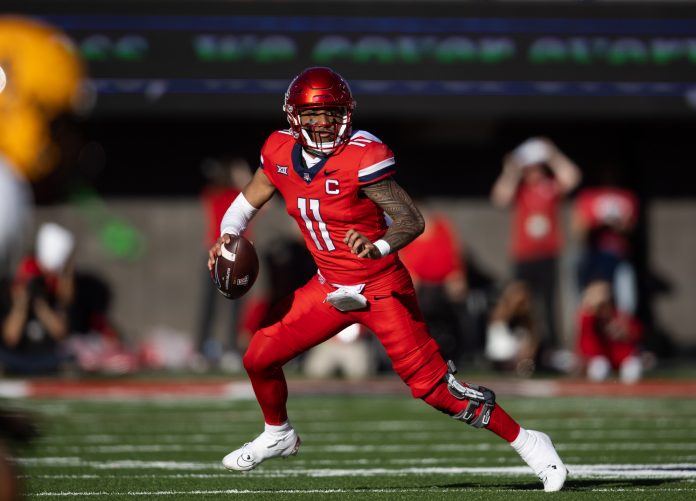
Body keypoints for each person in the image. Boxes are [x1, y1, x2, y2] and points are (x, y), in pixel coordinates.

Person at [208, 67, 567, 491]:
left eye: (331, 113)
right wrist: (229, 235)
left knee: (435, 389)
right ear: (294, 116)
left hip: (379, 286)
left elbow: (411, 219)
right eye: (314, 114)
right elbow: (250, 196)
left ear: (346, 114)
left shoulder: (362, 155)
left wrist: (376, 247)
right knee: (259, 357)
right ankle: (278, 434)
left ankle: (529, 443)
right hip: (327, 285)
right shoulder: (279, 151)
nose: (322, 123)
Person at [491, 137, 581, 367]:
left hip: (547, 254)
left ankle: (551, 351)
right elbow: (499, 198)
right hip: (524, 255)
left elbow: (573, 178)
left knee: (549, 305)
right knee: (520, 305)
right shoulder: (520, 189)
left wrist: (552, 155)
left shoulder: (550, 186)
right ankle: (520, 352)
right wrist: (511, 170)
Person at [196, 157, 252, 365]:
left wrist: (243, 177)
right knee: (209, 304)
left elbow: (263, 204)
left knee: (237, 304)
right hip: (216, 251)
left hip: (237, 255)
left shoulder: (239, 195)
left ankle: (231, 349)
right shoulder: (212, 194)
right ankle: (201, 349)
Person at [399, 203, 469, 364]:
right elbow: (405, 262)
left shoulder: (443, 227)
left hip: (444, 284)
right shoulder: (406, 233)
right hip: (422, 287)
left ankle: (455, 351)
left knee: (453, 299)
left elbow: (455, 254)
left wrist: (457, 274)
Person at [572, 168, 639, 315]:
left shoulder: (627, 197)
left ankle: (622, 334)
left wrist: (617, 224)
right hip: (593, 256)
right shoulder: (588, 196)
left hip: (619, 255)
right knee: (590, 301)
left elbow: (632, 227)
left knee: (625, 301)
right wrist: (598, 223)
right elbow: (578, 230)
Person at [576, 280, 643, 384]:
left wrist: (624, 333)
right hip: (601, 360)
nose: (602, 308)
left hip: (621, 360)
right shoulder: (589, 319)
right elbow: (587, 346)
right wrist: (590, 306)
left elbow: (637, 331)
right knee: (599, 368)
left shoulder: (618, 315)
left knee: (633, 368)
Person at [484, 281, 539, 377]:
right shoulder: (500, 314)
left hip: (521, 361)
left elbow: (532, 341)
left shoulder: (526, 320)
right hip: (500, 359)